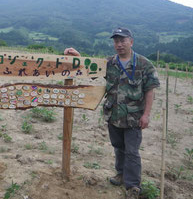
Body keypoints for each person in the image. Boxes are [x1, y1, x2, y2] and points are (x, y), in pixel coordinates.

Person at [64, 27, 160, 199]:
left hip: (134, 118)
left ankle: (133, 186)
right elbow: (90, 69)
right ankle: (121, 174)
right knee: (119, 148)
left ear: (131, 41)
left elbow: (150, 91)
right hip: (113, 115)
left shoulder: (144, 64)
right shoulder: (109, 63)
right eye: (116, 41)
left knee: (132, 151)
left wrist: (146, 115)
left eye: (123, 40)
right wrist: (78, 56)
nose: (119, 44)